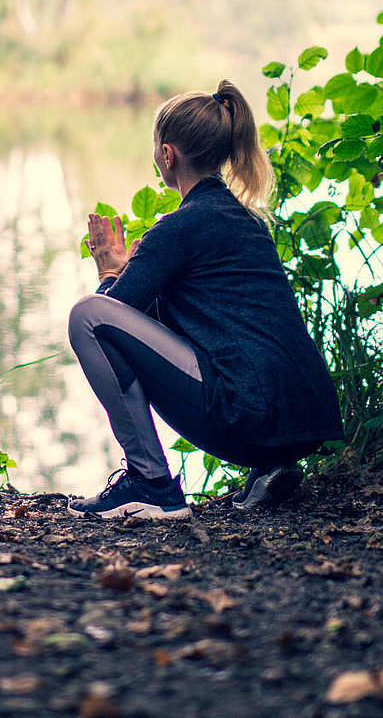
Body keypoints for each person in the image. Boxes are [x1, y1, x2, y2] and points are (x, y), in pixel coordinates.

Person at [66, 79, 342, 519]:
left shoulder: (180, 227)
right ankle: (270, 469)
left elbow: (108, 320)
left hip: (245, 415)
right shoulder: (247, 222)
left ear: (167, 155)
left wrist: (111, 270)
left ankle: (151, 482)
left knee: (86, 316)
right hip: (299, 421)